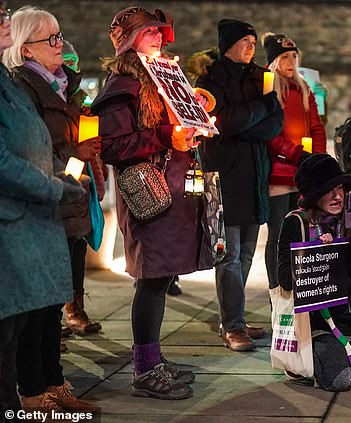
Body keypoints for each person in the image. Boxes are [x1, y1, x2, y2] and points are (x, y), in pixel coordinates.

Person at [90, 6, 213, 399]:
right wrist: (166, 137)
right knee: (152, 280)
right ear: (129, 40)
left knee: (160, 279)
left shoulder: (160, 77)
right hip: (150, 195)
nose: (158, 37)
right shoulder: (123, 86)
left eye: (159, 32)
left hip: (172, 193)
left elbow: (171, 125)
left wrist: (197, 110)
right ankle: (145, 368)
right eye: (148, 33)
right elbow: (113, 145)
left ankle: (153, 359)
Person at [3, 6, 98, 412]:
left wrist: (68, 175)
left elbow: (40, 144)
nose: (62, 44)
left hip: (53, 198)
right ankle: (32, 393)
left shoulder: (55, 85)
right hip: (28, 209)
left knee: (49, 303)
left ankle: (51, 384)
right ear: (26, 51)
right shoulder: (22, 85)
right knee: (24, 317)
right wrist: (58, 181)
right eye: (52, 39)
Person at [195, 19, 283, 352]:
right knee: (228, 256)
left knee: (246, 253)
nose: (251, 46)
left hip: (255, 176)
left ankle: (237, 319)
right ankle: (232, 325)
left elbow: (274, 123)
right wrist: (254, 113)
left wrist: (245, 122)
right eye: (246, 40)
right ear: (229, 44)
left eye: (253, 41)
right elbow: (224, 122)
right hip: (225, 177)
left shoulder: (260, 76)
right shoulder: (211, 79)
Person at [277, 154, 351, 391]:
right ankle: (319, 358)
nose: (337, 196)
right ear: (313, 195)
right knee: (339, 381)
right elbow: (283, 279)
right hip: (321, 324)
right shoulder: (297, 223)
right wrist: (314, 254)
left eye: (340, 188)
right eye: (328, 190)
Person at [261, 32, 327, 290]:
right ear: (275, 61)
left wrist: (316, 158)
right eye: (285, 56)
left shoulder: (302, 88)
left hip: (302, 173)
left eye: (294, 56)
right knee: (277, 234)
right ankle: (277, 287)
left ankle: (300, 285)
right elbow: (271, 134)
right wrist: (295, 153)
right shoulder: (270, 89)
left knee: (302, 231)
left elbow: (316, 126)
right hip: (279, 173)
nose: (291, 61)